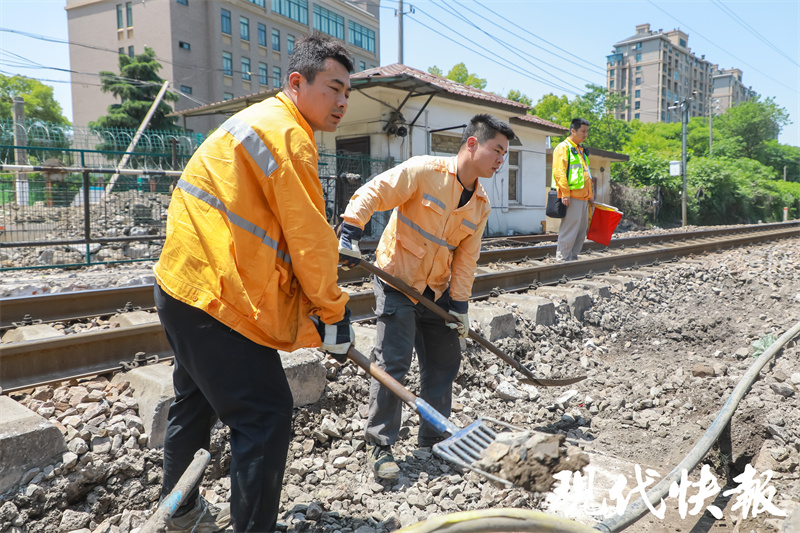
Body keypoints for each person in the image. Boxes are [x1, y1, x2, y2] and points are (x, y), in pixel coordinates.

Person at [153, 32, 355, 533]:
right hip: (216, 297)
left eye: (347, 92)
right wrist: (333, 315)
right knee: (265, 414)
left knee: (195, 401)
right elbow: (310, 242)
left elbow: (274, 231)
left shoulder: (258, 121)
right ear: (296, 82)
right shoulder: (289, 137)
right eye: (333, 88)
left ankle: (179, 514)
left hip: (182, 283)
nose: (342, 102)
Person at [338, 114, 516, 479]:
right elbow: (377, 190)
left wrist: (460, 307)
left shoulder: (480, 204)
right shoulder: (424, 171)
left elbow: (467, 259)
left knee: (444, 361)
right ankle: (380, 445)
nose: (501, 159)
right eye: (497, 149)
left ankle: (433, 438)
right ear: (472, 144)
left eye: (505, 153)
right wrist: (350, 230)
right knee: (394, 361)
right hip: (397, 280)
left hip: (436, 291)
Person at [552, 117, 594, 262]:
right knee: (570, 230)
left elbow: (586, 173)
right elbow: (559, 172)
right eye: (583, 131)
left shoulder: (581, 150)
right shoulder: (563, 148)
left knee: (581, 232)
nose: (585, 134)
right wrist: (565, 193)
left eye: (587, 131)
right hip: (572, 197)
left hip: (583, 198)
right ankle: (563, 259)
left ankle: (572, 259)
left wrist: (590, 195)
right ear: (573, 130)